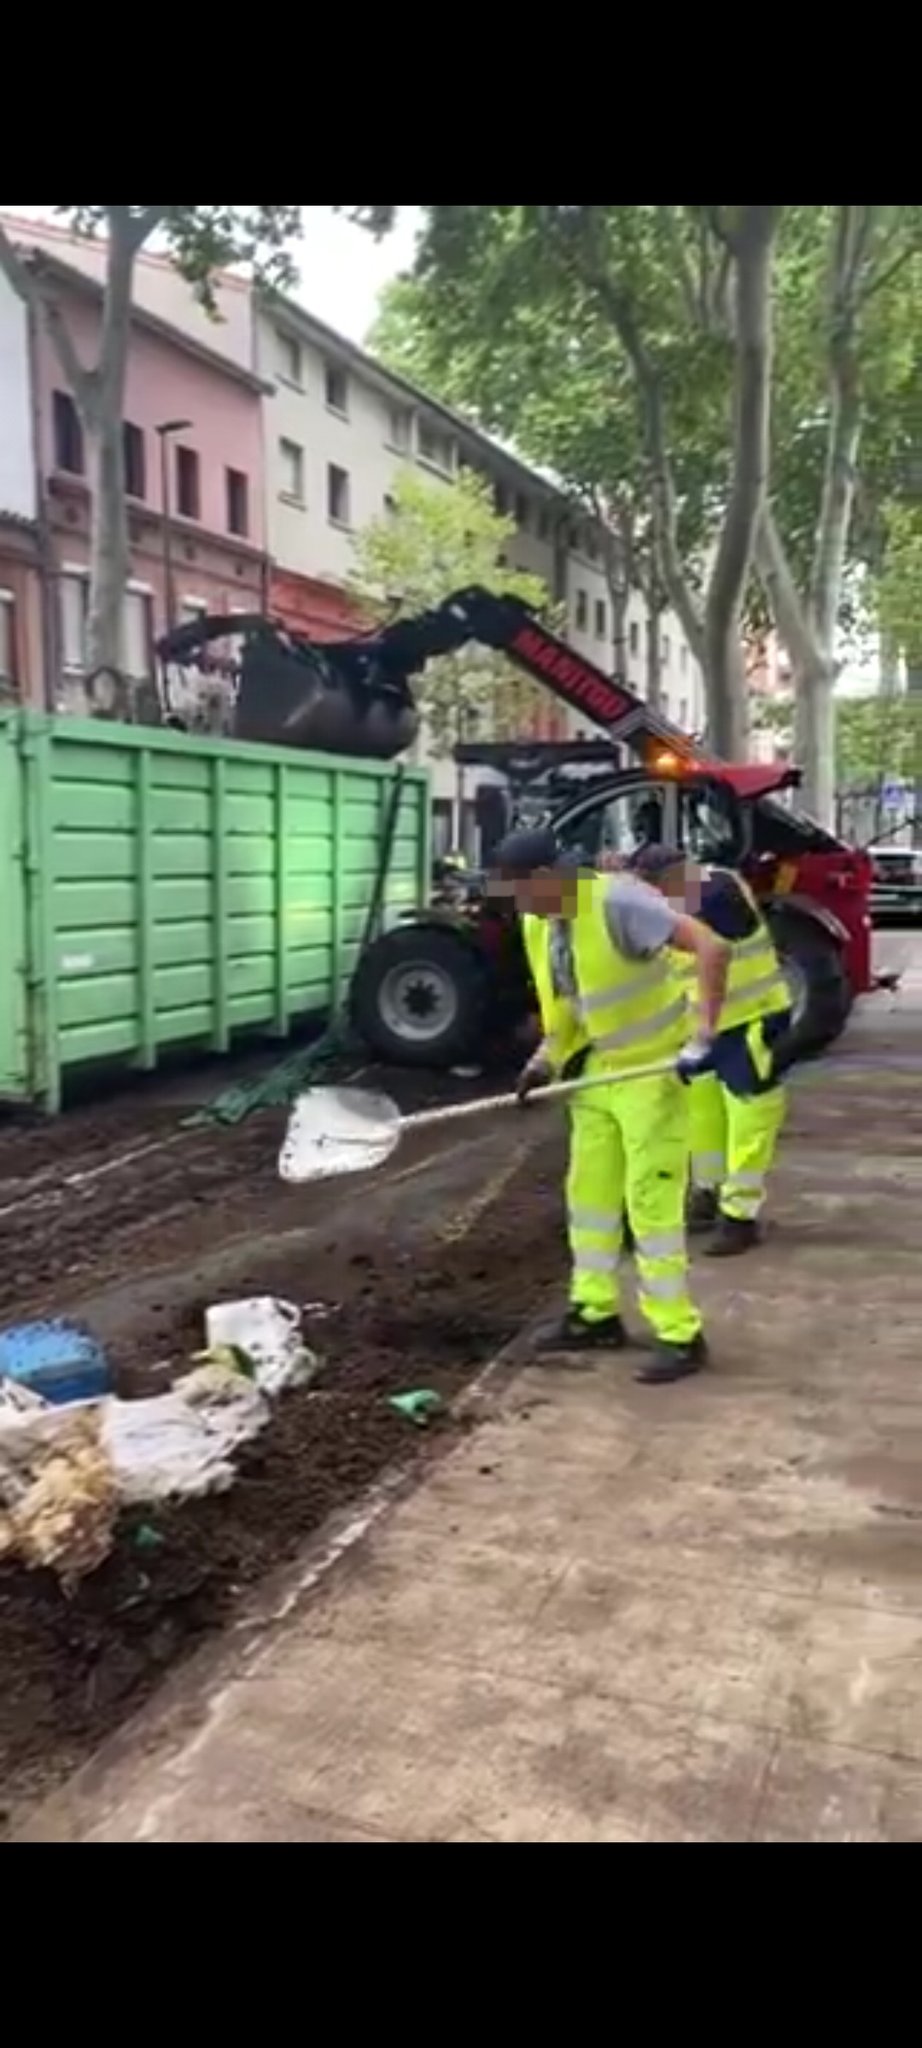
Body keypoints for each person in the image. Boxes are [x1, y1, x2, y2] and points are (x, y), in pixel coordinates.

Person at [490, 826, 731, 1385]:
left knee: (650, 1202)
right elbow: (570, 1002)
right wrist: (545, 1060)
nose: (518, 904)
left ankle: (679, 1334)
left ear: (548, 879)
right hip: (599, 1074)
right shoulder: (539, 923)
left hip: (652, 1073)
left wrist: (702, 1037)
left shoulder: (619, 899)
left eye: (522, 891)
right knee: (590, 1197)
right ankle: (594, 1312)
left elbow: (712, 947)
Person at [628, 843, 793, 1255]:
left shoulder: (716, 892)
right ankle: (707, 1192)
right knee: (703, 1116)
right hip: (705, 1030)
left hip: (751, 1021)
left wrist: (702, 1034)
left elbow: (711, 956)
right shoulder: (678, 902)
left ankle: (740, 1215)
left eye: (654, 890)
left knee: (750, 1117)